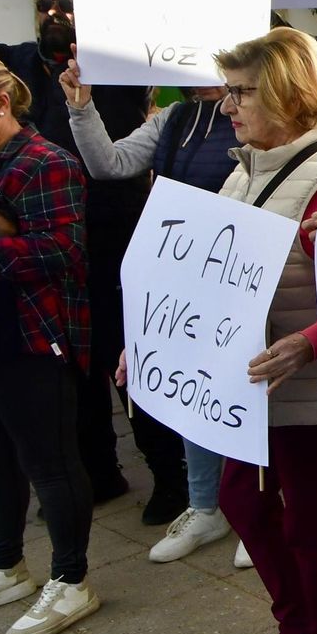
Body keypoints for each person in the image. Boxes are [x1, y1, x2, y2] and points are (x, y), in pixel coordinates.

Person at [0, 0, 169, 508]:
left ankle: (171, 480)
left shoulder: (120, 63)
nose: (54, 12)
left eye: (68, 2)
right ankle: (99, 472)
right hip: (51, 245)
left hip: (113, 234)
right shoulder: (16, 63)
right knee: (75, 368)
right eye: (46, 5)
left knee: (128, 356)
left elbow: (152, 14)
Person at [208, 28, 317, 634]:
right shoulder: (245, 172)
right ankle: (295, 627)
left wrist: (307, 342)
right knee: (239, 501)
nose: (229, 105)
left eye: (243, 91)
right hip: (254, 389)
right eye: (230, 91)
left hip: (308, 394)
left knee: (307, 525)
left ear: (285, 94)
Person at [58, 64, 240, 563]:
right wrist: (82, 107)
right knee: (192, 386)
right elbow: (110, 164)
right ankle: (206, 505)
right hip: (183, 272)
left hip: (240, 272)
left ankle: (259, 504)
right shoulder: (177, 117)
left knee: (246, 388)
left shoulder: (256, 114)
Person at [0, 52, 100, 634]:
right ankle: (5, 563)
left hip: (34, 334)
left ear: (0, 102)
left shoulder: (45, 161)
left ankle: (71, 579)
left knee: (50, 462)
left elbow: (64, 255)